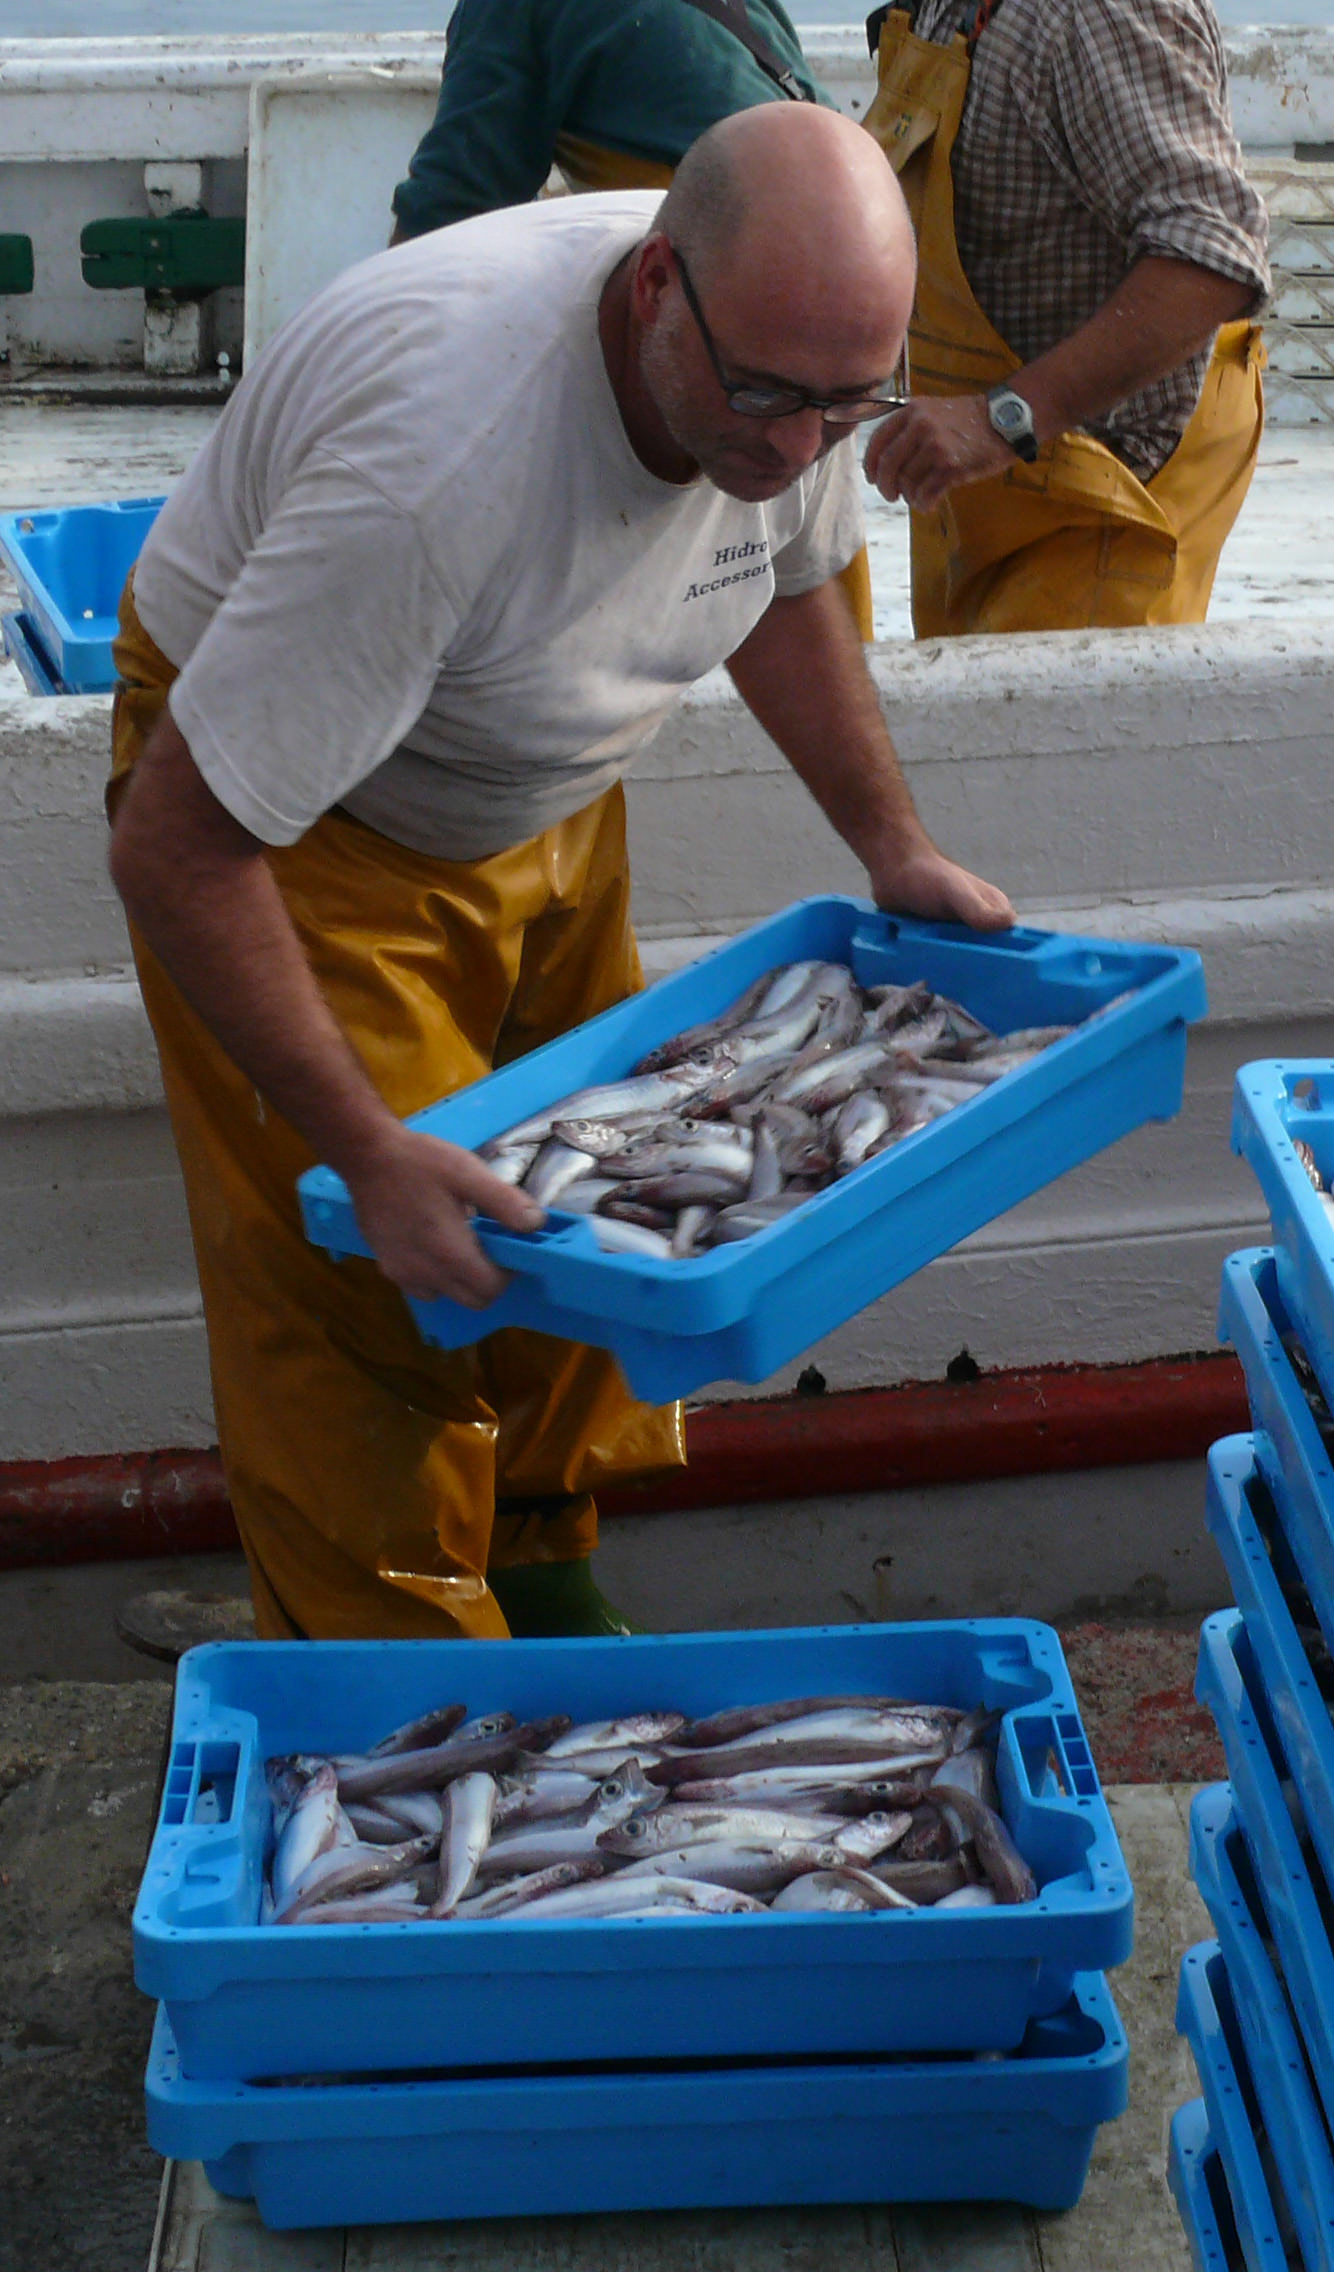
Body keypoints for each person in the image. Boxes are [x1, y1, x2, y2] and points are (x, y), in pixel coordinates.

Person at [106, 105, 1012, 1646]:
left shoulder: (789, 357)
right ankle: (396, 1702)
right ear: (657, 287)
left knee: (590, 1207)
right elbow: (175, 847)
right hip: (299, 831)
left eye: (849, 405)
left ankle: (540, 1580)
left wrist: (893, 845)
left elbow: (785, 583)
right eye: (768, 398)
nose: (799, 448)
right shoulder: (432, 471)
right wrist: (366, 1151)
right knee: (378, 1278)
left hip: (541, 790)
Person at [390, 0, 876, 642]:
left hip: (732, 340)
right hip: (825, 304)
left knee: (731, 594)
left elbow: (442, 237)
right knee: (815, 603)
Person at [859, 0, 1273, 638]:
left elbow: (1211, 260)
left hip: (1099, 504)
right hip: (981, 498)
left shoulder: (1095, 15)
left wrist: (1004, 419)